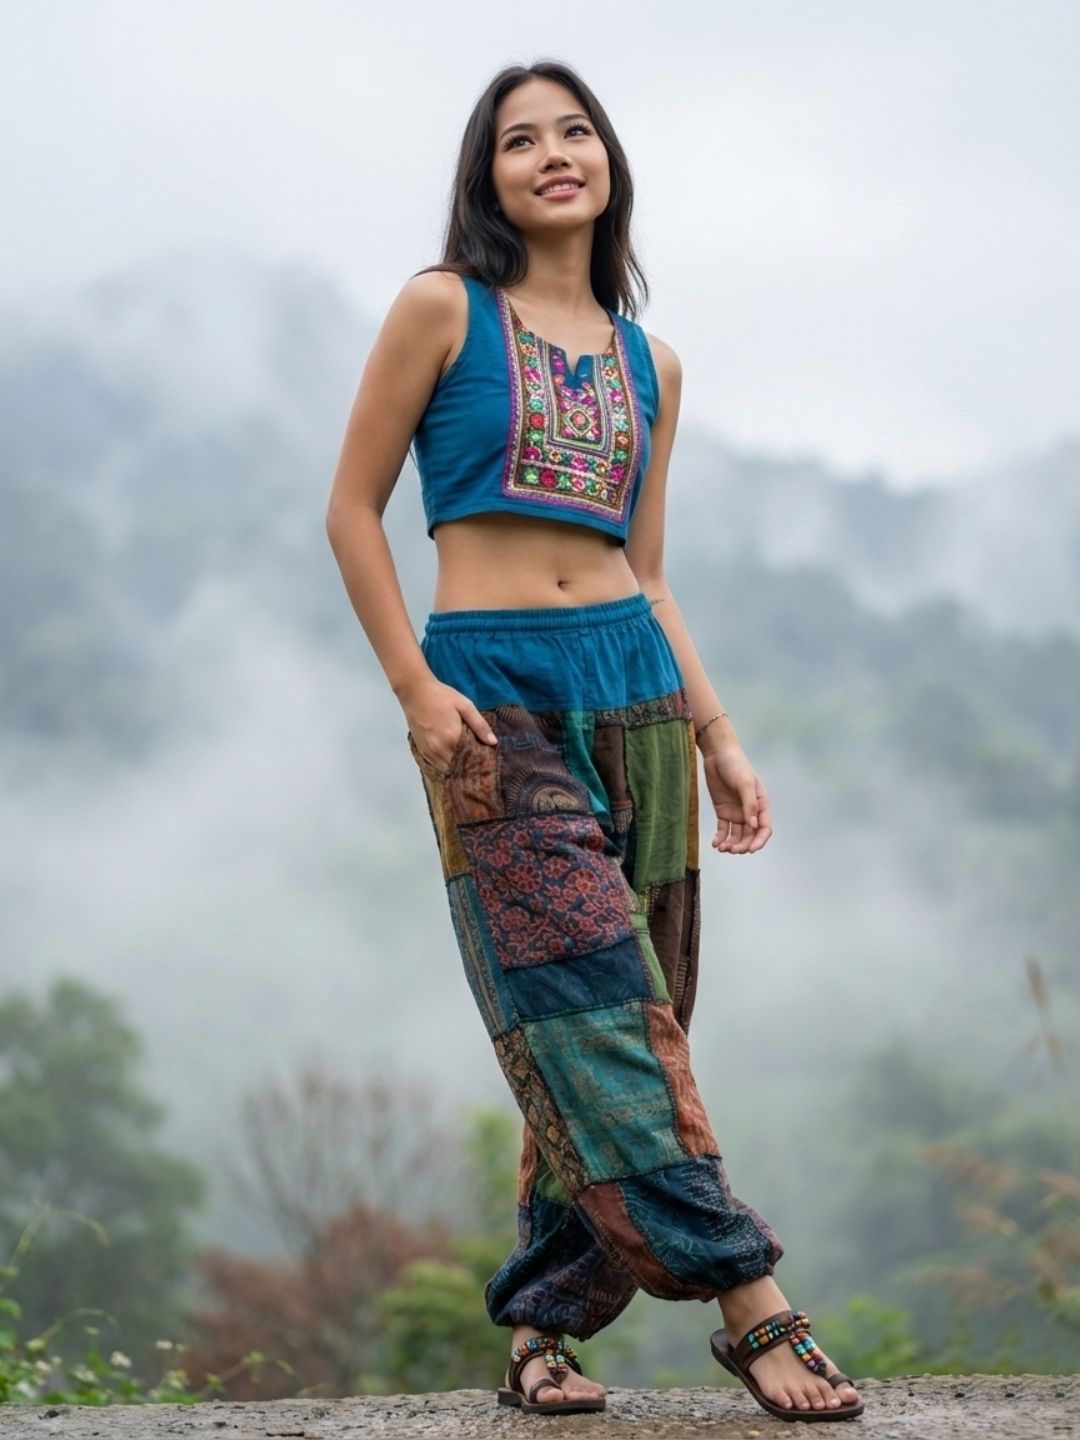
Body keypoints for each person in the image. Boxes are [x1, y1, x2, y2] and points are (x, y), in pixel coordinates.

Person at [325, 59, 863, 1424]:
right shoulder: (442, 308)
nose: (553, 154)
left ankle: (545, 1325)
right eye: (521, 140)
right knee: (601, 1012)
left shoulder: (650, 363)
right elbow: (349, 510)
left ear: (610, 161)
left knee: (633, 1010)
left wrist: (720, 735)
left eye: (576, 132)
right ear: (486, 173)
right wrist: (411, 689)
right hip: (489, 697)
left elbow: (651, 568)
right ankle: (752, 1305)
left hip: (634, 690)